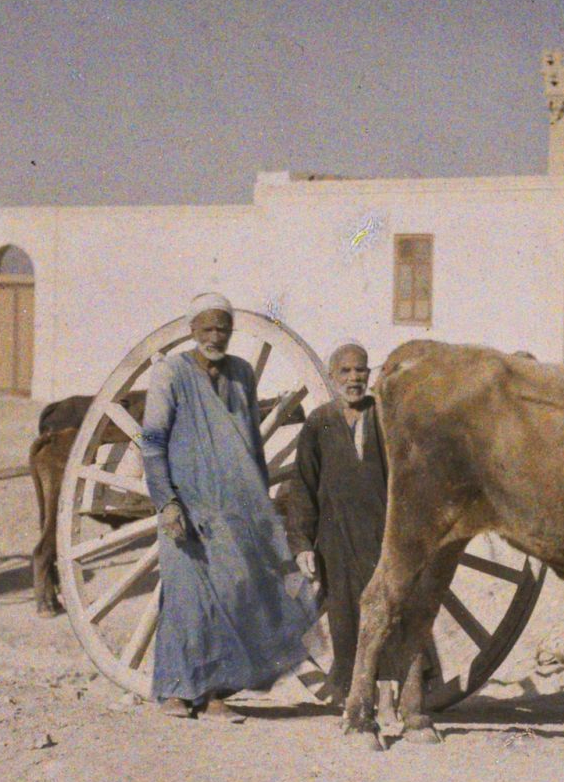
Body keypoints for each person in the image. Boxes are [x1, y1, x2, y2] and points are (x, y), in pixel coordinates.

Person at [138, 293, 320, 720]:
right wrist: (166, 502)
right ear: (192, 331)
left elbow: (252, 443)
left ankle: (217, 693)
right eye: (207, 328)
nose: (215, 336)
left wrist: (260, 504)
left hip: (234, 507)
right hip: (188, 505)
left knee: (232, 596)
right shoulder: (170, 374)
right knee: (186, 597)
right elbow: (152, 443)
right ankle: (176, 692)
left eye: (222, 328)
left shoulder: (240, 374)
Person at [283, 341, 387, 704]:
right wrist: (301, 545)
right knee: (343, 616)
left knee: (386, 613)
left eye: (361, 370)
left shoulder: (383, 419)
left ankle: (389, 695)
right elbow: (303, 487)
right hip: (335, 540)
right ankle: (351, 695)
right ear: (331, 376)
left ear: (369, 375)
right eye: (345, 371)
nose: (354, 378)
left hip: (380, 536)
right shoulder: (319, 422)